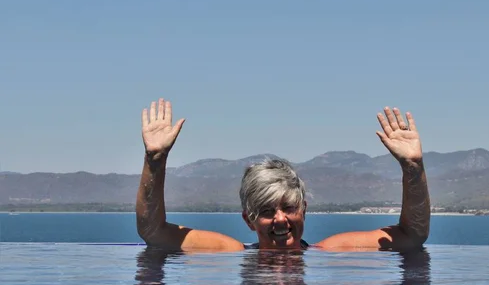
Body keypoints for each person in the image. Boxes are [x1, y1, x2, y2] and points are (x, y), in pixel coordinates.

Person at [136, 98, 430, 252]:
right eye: (265, 211)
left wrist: (412, 168)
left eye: (288, 208)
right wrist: (155, 159)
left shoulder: (328, 252)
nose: (279, 219)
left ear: (304, 210)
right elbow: (154, 233)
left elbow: (411, 237)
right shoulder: (232, 252)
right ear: (248, 220)